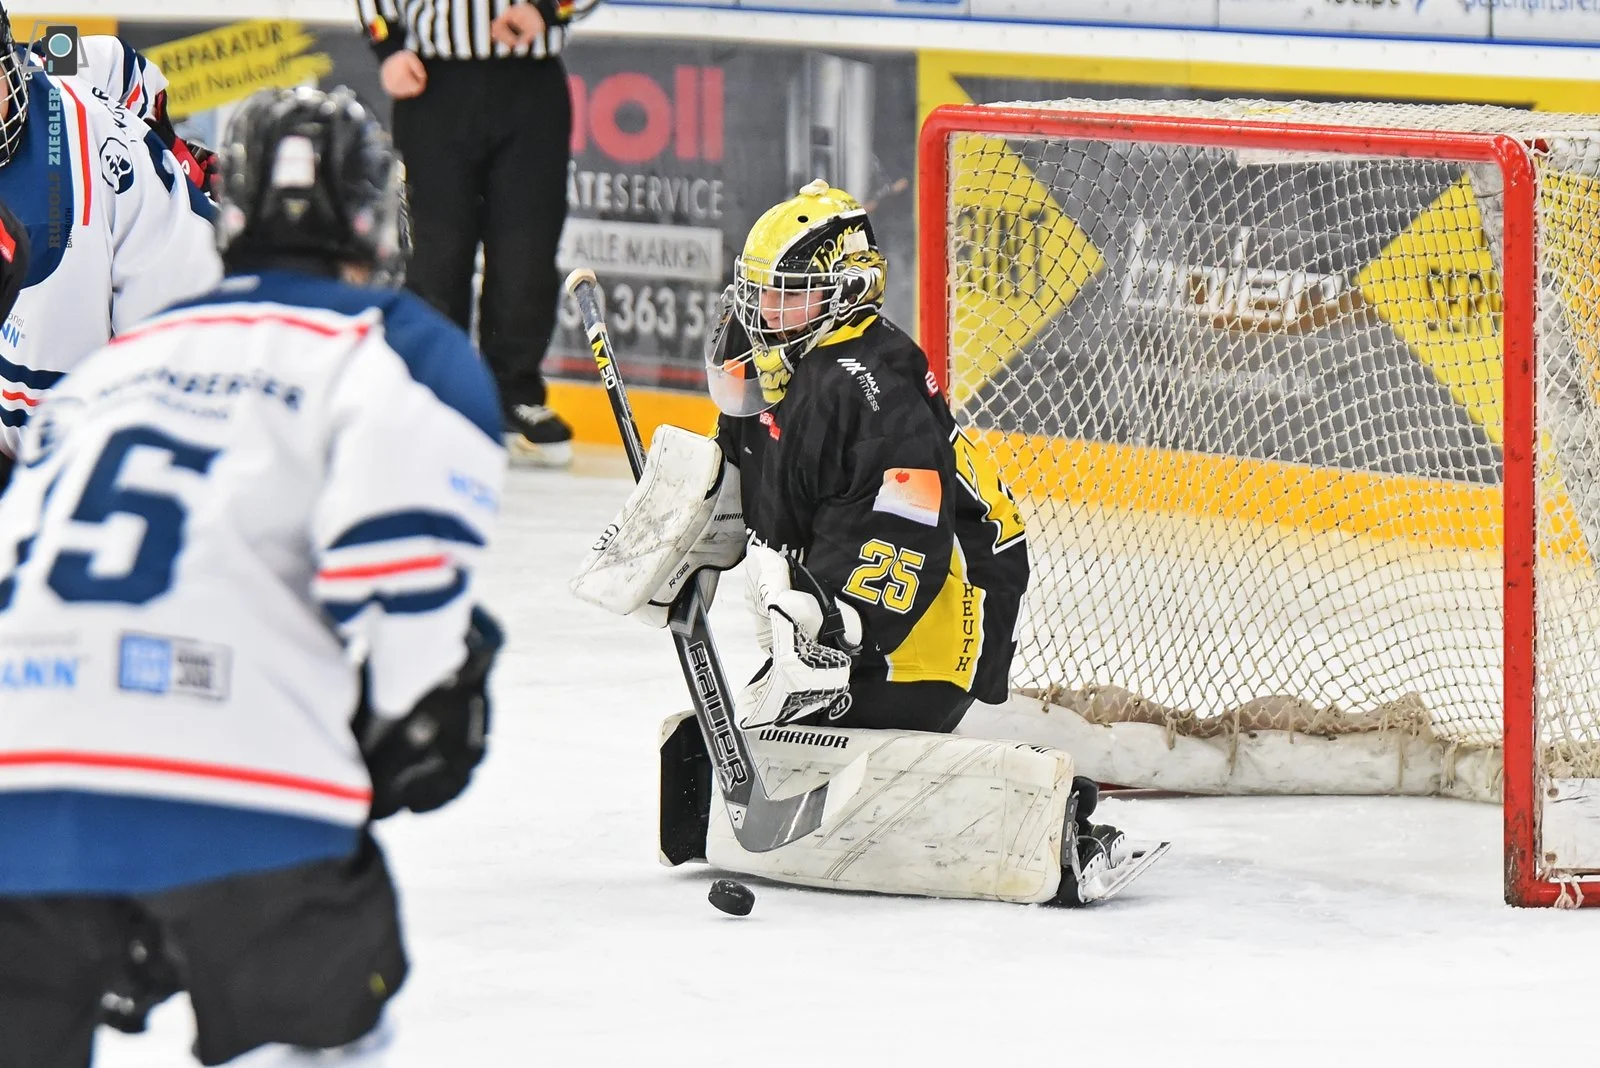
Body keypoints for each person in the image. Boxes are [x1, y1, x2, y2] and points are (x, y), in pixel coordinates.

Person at [0, 84, 507, 1066]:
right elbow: (406, 607)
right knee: (324, 1036)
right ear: (374, 220)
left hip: (13, 778)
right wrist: (402, 730)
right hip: (238, 781)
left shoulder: (114, 366)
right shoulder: (400, 348)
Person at [574, 181, 1156, 906]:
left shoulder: (872, 386)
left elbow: (910, 534)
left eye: (786, 295)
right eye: (758, 291)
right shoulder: (773, 361)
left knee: (833, 721)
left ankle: (1038, 820)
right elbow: (739, 482)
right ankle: (841, 695)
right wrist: (673, 535)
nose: (761, 311)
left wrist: (845, 629)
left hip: (938, 614)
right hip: (841, 597)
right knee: (780, 717)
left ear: (846, 292)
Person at [357, 0, 601, 467]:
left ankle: (514, 397)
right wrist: (387, 46)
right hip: (433, 84)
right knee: (436, 253)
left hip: (529, 84)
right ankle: (434, 393)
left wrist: (548, 9)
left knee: (526, 249)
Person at [0, 6, 221, 497]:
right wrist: (175, 154)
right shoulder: (49, 60)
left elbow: (45, 433)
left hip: (200, 374)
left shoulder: (44, 227)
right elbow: (122, 66)